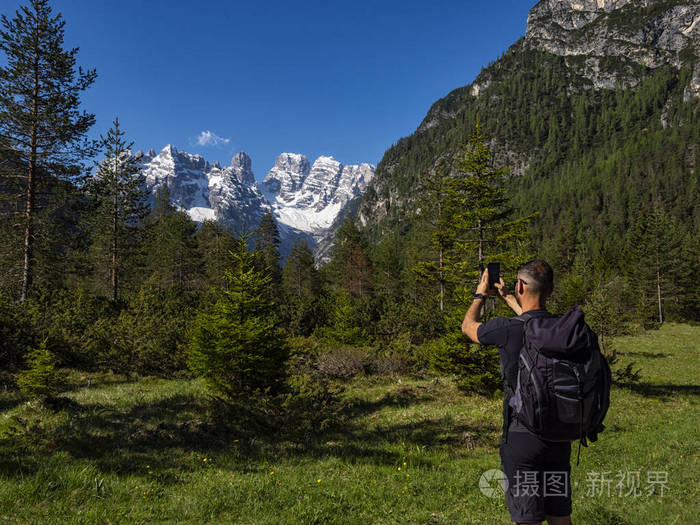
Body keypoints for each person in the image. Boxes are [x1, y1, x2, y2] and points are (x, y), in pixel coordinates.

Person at [461, 260, 574, 525]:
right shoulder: (561, 329)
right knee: (560, 516)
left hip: (523, 437)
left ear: (521, 285)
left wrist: (480, 293)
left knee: (527, 519)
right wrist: (510, 298)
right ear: (551, 290)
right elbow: (532, 321)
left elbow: (468, 326)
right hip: (560, 434)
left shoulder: (507, 329)